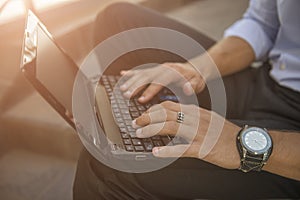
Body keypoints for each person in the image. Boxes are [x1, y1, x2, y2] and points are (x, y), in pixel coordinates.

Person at [73, 1, 300, 199]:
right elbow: (263, 23)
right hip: (270, 80)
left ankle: (150, 172)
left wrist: (238, 142)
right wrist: (198, 68)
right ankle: (136, 142)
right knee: (117, 22)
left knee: (110, 167)